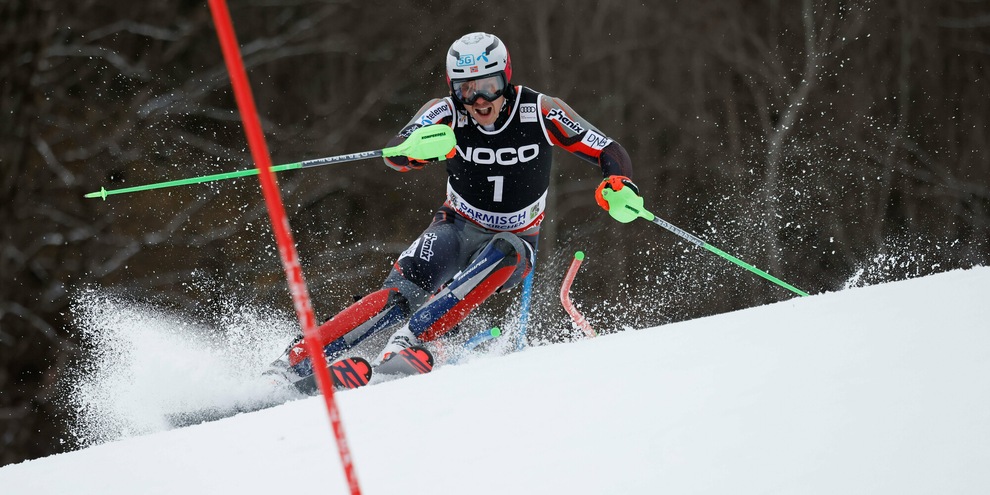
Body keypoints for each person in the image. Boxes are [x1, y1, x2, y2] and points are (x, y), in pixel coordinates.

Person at [271, 32, 641, 382]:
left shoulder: (539, 110)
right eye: (466, 89)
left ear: (506, 79)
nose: (479, 100)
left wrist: (618, 182)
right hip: (457, 224)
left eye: (489, 86)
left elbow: (607, 148)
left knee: (507, 249)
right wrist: (414, 150)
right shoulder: (447, 111)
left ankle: (409, 342)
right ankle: (295, 362)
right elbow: (396, 151)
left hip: (516, 238)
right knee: (400, 294)